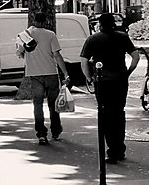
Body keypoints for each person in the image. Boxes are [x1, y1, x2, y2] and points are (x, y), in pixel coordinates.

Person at [80, 13, 140, 164]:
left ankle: (111, 149)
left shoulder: (93, 39)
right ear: (113, 23)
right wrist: (128, 73)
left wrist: (89, 78)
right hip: (120, 80)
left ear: (99, 24)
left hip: (102, 82)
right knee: (119, 113)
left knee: (105, 114)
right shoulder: (122, 37)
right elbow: (135, 57)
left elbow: (83, 61)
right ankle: (119, 148)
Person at [16, 12, 70, 145]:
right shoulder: (50, 34)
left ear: (33, 21)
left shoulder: (23, 35)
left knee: (38, 104)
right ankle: (56, 130)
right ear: (45, 21)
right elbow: (57, 55)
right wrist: (66, 73)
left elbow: (19, 54)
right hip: (51, 73)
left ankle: (41, 134)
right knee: (53, 104)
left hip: (34, 74)